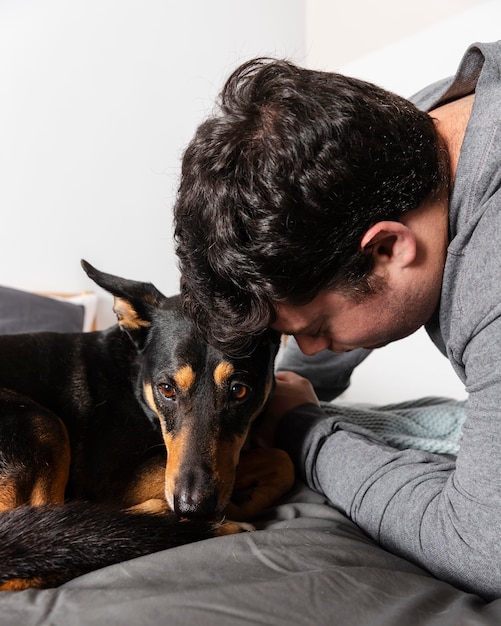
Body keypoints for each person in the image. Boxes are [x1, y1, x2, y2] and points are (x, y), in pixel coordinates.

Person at [173, 41, 501, 599]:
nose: (313, 347)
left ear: (388, 249)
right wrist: (281, 391)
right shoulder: (427, 127)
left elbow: (484, 547)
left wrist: (306, 430)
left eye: (317, 327)